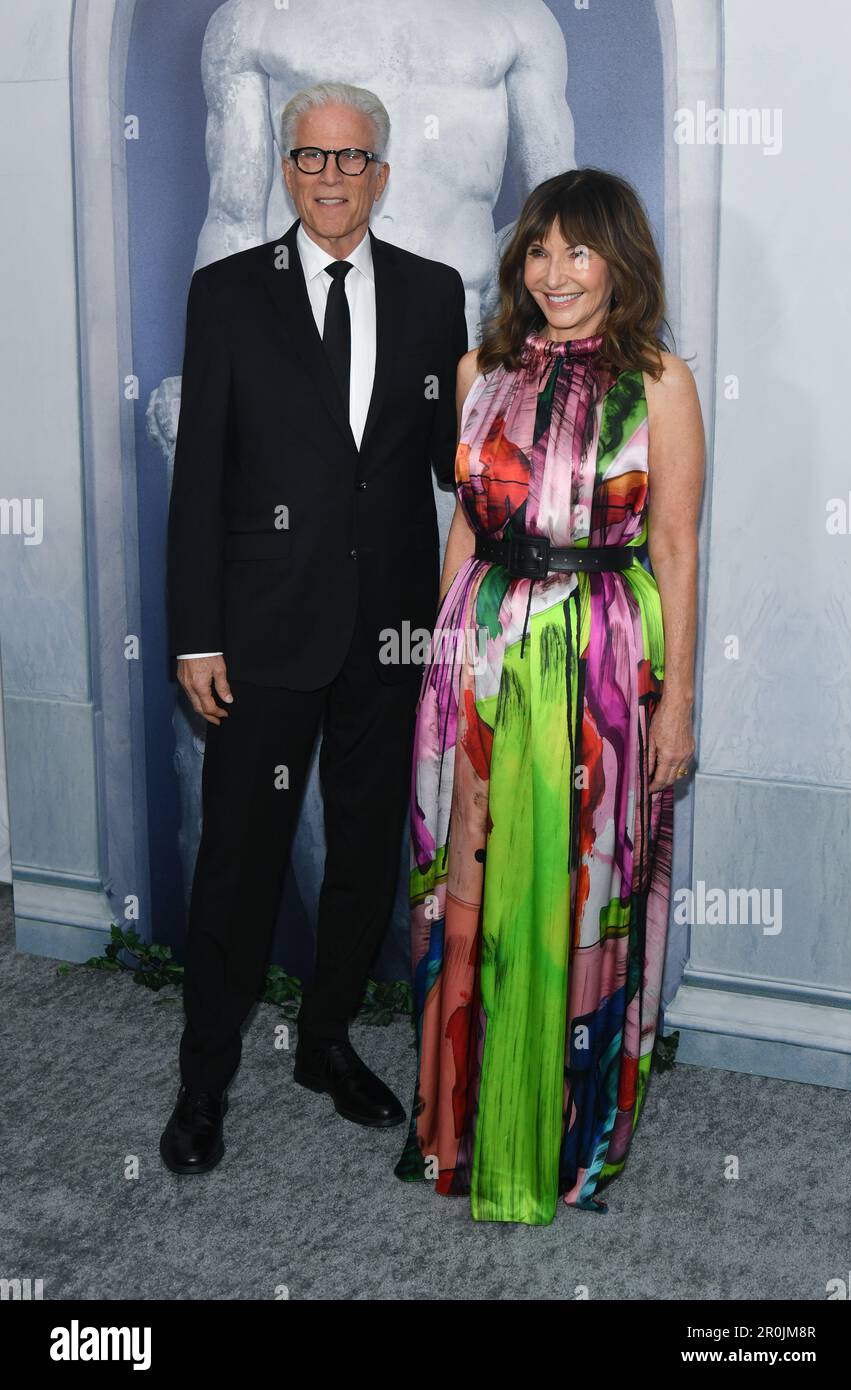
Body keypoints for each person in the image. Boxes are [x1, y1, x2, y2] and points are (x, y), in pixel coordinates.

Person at [160, 82, 467, 1175]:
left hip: (390, 635)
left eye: (351, 161)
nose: (331, 179)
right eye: (310, 159)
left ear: (381, 174)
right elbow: (198, 480)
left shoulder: (436, 297)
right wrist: (195, 632)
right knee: (237, 859)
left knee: (362, 850)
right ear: (285, 170)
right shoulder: (229, 294)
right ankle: (204, 1081)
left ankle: (326, 1040)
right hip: (260, 636)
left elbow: (456, 467)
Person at [394, 167, 704, 1224]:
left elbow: (671, 543)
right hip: (481, 642)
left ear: (619, 261)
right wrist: (438, 665)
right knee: (472, 873)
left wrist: (675, 705)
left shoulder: (657, 379)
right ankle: (459, 1119)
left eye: (579, 250)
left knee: (577, 885)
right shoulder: (479, 365)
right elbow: (468, 526)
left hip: (601, 656)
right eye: (538, 249)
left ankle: (564, 1137)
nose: (556, 272)